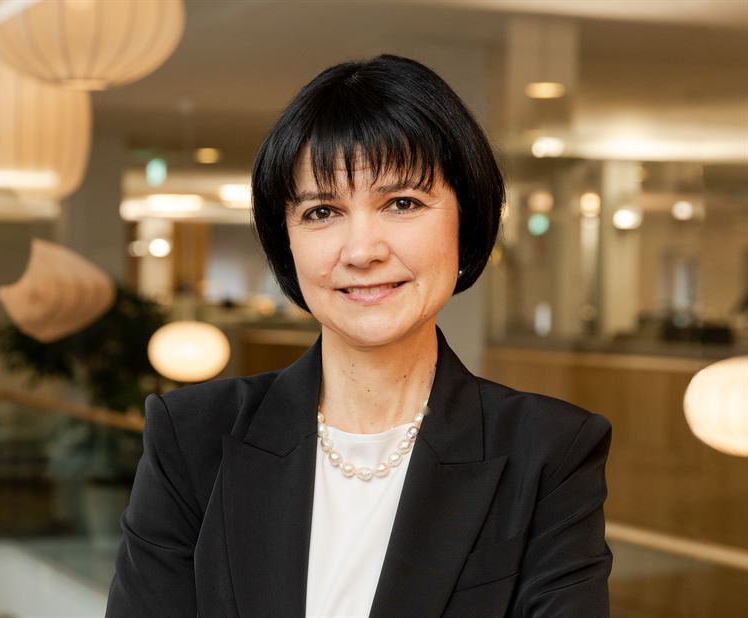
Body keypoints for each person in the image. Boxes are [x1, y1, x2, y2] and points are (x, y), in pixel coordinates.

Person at [106, 54, 612, 618]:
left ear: (466, 219)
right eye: (322, 211)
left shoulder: (549, 450)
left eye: (402, 203)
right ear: (287, 242)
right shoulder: (191, 437)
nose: (362, 251)